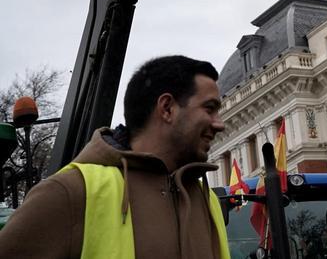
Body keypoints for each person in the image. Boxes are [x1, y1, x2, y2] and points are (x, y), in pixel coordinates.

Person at [0, 55, 230, 258]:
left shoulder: (206, 199)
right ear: (167, 108)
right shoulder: (71, 191)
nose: (219, 124)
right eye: (209, 109)